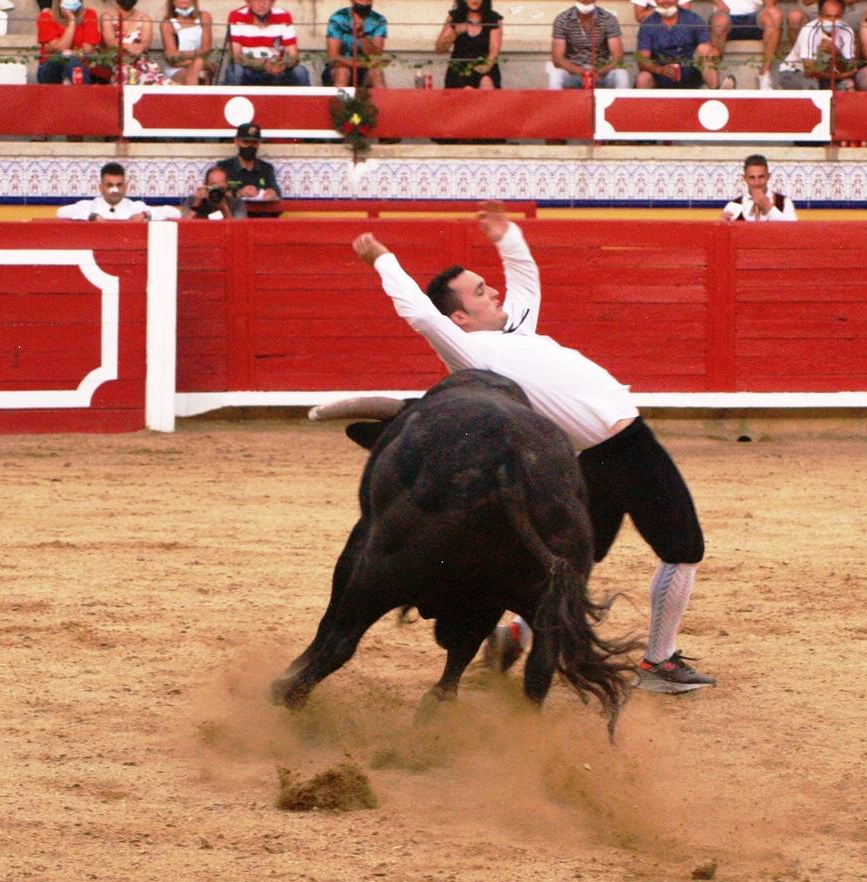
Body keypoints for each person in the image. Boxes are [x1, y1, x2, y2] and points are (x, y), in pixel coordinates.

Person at [351, 203, 715, 694]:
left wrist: (506, 239)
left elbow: (525, 279)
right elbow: (419, 312)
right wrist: (383, 260)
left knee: (576, 561)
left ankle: (514, 633)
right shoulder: (468, 349)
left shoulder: (512, 331)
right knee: (684, 549)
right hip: (623, 446)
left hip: (585, 459)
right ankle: (659, 661)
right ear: (459, 315)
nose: (493, 289)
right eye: (480, 291)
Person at [636, 1, 727, 89]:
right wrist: (661, 70)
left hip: (691, 73)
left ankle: (717, 93)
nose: (666, 2)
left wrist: (712, 53)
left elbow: (707, 48)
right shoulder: (648, 24)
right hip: (660, 77)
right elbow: (642, 60)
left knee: (705, 49)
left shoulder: (693, 19)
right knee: (643, 78)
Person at [56, 162, 181, 221]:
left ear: (125, 187)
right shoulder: (89, 206)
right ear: (100, 187)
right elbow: (60, 212)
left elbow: (175, 213)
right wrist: (91, 217)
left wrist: (145, 215)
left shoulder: (135, 207)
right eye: (109, 185)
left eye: (119, 185)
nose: (114, 190)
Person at [225, 0, 310, 86]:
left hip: (277, 68)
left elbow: (293, 54)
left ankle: (306, 99)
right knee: (235, 71)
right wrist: (263, 64)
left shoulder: (284, 16)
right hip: (250, 68)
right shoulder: (236, 16)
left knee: (300, 72)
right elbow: (236, 55)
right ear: (248, 2)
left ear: (272, 2)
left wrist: (283, 64)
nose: (261, 4)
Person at [551, 0, 633, 89]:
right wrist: (582, 72)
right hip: (573, 72)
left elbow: (618, 57)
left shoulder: (608, 18)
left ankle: (620, 103)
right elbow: (557, 58)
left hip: (602, 72)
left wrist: (598, 72)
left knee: (621, 75)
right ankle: (555, 103)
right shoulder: (562, 19)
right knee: (556, 75)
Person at [777, 0, 858, 88]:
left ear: (842, 16)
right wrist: (839, 76)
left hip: (826, 74)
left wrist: (837, 53)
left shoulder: (847, 31)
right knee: (812, 85)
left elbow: (848, 67)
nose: (832, 21)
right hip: (793, 72)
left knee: (848, 85)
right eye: (828, 16)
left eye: (836, 16)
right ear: (820, 16)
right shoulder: (809, 31)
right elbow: (809, 72)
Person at [709, 0, 784, 90]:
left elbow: (770, 5)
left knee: (775, 15)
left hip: (755, 16)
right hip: (725, 14)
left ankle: (764, 75)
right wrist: (719, 3)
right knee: (719, 22)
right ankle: (717, 77)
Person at [436, 0, 504, 89]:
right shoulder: (455, 16)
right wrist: (455, 32)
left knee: (486, 82)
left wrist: (487, 66)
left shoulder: (493, 18)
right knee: (467, 89)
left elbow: (494, 48)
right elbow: (440, 48)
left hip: (484, 64)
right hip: (460, 68)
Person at [35, 0, 104, 84]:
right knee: (65, 58)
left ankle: (71, 86)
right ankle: (72, 86)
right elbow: (59, 49)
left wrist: (71, 53)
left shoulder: (89, 15)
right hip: (50, 70)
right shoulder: (46, 16)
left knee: (70, 59)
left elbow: (88, 50)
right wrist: (71, 23)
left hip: (80, 67)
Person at [102, 0, 168, 85]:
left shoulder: (144, 18)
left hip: (142, 64)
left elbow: (145, 44)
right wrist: (133, 47)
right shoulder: (108, 17)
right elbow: (111, 42)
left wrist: (124, 46)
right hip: (118, 63)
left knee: (162, 84)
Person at [326, 0, 389, 88]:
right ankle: (340, 101)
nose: (365, 3)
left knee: (377, 73)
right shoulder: (338, 18)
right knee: (343, 73)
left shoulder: (378, 20)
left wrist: (362, 36)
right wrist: (360, 64)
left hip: (365, 70)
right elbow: (333, 57)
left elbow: (376, 57)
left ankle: (382, 101)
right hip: (340, 67)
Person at [216, 122, 281, 202]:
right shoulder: (224, 167)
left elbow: (278, 194)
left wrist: (272, 195)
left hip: (260, 212)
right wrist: (239, 193)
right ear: (236, 141)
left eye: (254, 143)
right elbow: (214, 194)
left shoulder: (266, 168)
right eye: (246, 142)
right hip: (233, 213)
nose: (250, 146)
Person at [721, 153, 798, 221]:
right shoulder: (734, 205)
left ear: (768, 176)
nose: (757, 183)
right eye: (752, 177)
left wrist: (769, 207)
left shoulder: (784, 202)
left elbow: (794, 231)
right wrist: (724, 226)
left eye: (761, 177)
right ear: (744, 178)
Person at [161, 0, 214, 85]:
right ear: (173, 2)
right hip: (178, 68)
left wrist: (182, 54)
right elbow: (173, 58)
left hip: (201, 64)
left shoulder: (204, 17)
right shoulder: (167, 24)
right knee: (197, 65)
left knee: (200, 68)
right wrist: (195, 57)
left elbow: (206, 49)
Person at [180, 164, 245, 219]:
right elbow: (182, 226)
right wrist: (196, 204)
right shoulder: (192, 200)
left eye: (220, 186)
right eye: (213, 185)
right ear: (205, 184)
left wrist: (224, 207)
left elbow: (238, 228)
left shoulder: (236, 201)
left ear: (227, 185)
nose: (216, 189)